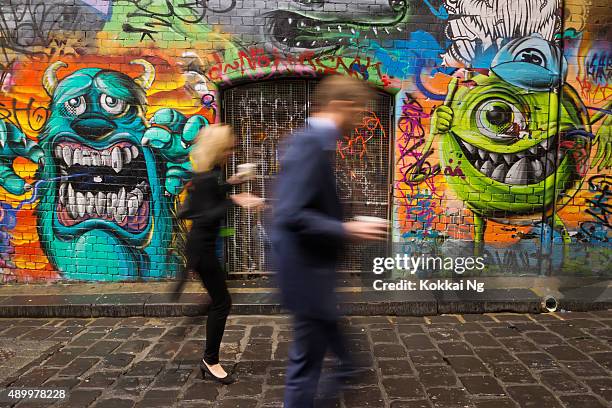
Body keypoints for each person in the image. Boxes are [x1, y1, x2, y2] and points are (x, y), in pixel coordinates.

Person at [271, 75, 388, 407]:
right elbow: (290, 214)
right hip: (305, 274)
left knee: (340, 356)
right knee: (306, 366)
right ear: (341, 106)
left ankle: (344, 371)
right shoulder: (309, 144)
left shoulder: (314, 143)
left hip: (314, 273)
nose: (362, 120)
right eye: (360, 112)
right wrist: (348, 229)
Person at [176, 124, 263, 384]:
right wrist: (236, 200)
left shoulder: (211, 173)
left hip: (202, 247)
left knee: (218, 298)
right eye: (227, 149)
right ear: (218, 149)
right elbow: (205, 214)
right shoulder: (205, 178)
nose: (230, 153)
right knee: (222, 302)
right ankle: (210, 361)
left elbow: (207, 200)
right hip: (202, 249)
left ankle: (202, 317)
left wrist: (230, 184)